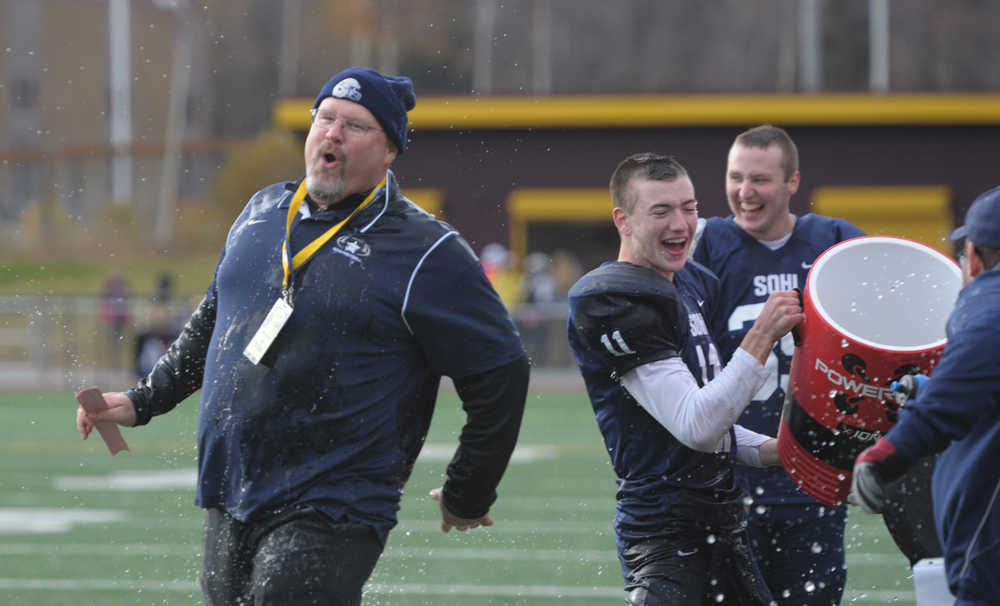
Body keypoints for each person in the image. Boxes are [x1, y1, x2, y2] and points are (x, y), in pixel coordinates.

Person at [76, 67, 530, 606]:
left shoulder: (427, 251)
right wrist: (141, 399)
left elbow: (501, 371)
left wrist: (467, 490)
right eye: (326, 118)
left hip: (334, 498)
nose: (333, 133)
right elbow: (215, 322)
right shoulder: (263, 210)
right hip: (233, 485)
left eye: (355, 126)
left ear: (390, 151)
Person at [567, 152, 804, 605]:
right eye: (661, 211)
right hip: (664, 529)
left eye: (689, 208)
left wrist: (781, 451)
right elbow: (696, 425)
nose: (681, 224)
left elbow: (711, 415)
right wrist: (761, 337)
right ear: (624, 220)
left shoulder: (691, 282)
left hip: (722, 515)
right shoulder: (613, 299)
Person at [691, 125, 864, 604]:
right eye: (735, 177)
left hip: (813, 478)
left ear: (792, 182)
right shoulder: (702, 245)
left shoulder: (834, 242)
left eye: (760, 180)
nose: (745, 193)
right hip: (728, 479)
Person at [850, 186, 1000, 605]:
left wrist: (886, 454)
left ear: (973, 256)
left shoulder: (989, 310)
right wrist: (929, 388)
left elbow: (957, 394)